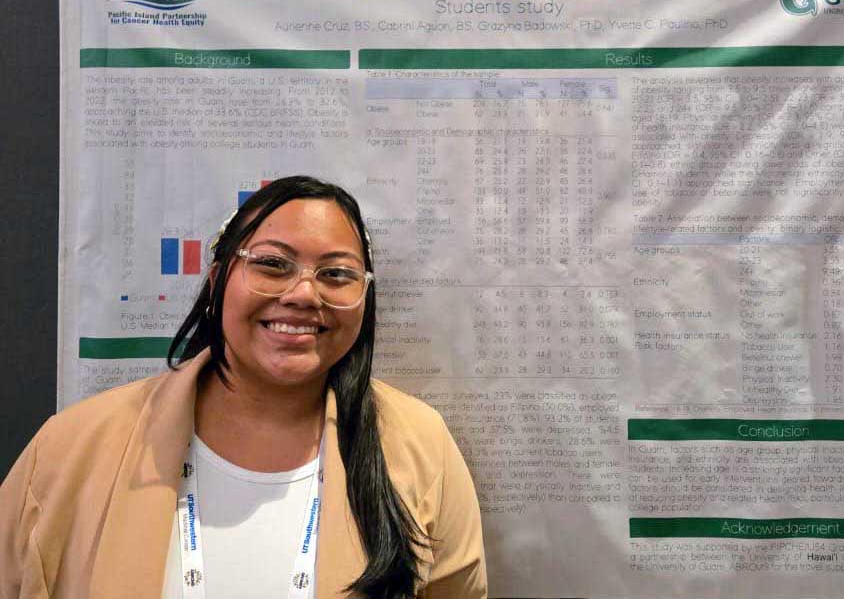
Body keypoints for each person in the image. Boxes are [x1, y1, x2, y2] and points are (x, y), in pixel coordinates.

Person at [0, 176, 486, 599]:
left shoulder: (420, 446)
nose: (302, 294)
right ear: (217, 281)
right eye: (273, 264)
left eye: (336, 274)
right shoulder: (72, 447)